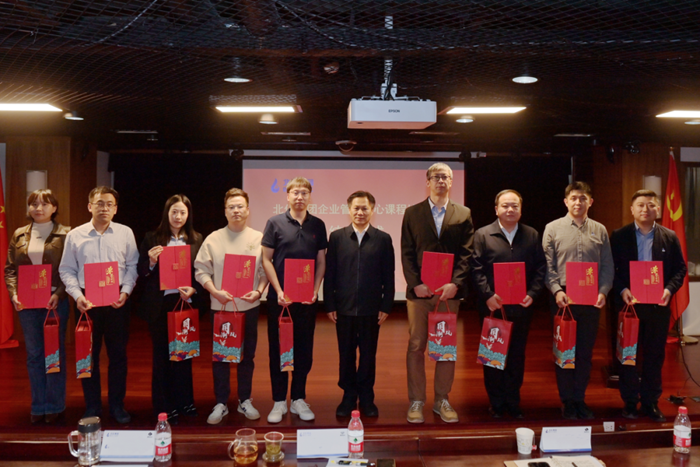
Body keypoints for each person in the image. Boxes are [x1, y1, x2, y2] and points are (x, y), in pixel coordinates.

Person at [400, 162, 474, 424]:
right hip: (420, 293)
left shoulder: (463, 213)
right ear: (428, 182)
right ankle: (416, 400)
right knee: (416, 345)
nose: (441, 181)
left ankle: (442, 399)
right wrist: (415, 283)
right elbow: (407, 252)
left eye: (445, 177)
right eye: (436, 177)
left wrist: (456, 283)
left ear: (451, 182)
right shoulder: (412, 213)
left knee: (446, 348)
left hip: (448, 294)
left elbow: (467, 253)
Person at [59, 186, 138, 423]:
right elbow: (66, 269)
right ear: (89, 206)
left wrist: (125, 292)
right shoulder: (75, 235)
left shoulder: (125, 233)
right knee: (88, 357)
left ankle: (117, 406)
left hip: (117, 301)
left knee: (118, 356)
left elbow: (132, 266)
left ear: (115, 209)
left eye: (109, 204)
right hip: (87, 303)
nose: (104, 208)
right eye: (99, 203)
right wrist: (77, 296)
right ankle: (92, 407)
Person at [611, 189, 687, 422]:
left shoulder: (669, 236)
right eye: (641, 205)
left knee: (654, 356)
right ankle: (630, 402)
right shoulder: (619, 236)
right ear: (632, 209)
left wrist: (669, 290)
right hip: (630, 306)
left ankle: (651, 402)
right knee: (628, 356)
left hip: (657, 307)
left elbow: (680, 269)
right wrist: (622, 290)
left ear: (658, 209)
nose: (646, 209)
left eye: (651, 205)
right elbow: (610, 269)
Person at [194, 188, 269, 424]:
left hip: (249, 307)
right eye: (231, 207)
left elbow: (265, 271)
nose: (236, 211)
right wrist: (214, 291)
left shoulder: (259, 238)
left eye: (240, 207)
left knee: (248, 356)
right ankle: (221, 402)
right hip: (221, 308)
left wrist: (259, 291)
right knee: (221, 358)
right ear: (225, 211)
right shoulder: (213, 238)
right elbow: (201, 271)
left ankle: (244, 400)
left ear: (248, 210)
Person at [470, 189, 546, 419]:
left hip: (521, 306)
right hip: (493, 307)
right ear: (496, 210)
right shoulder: (483, 234)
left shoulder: (531, 234)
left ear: (521, 209)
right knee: (493, 354)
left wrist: (533, 293)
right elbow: (476, 268)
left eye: (515, 206)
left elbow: (540, 268)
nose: (510, 210)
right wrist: (487, 295)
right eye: (505, 206)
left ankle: (513, 401)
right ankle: (496, 402)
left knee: (516, 356)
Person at [542, 181, 613, 420]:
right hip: (563, 297)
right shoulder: (552, 228)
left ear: (590, 202)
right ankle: (567, 401)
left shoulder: (600, 230)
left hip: (591, 297)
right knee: (564, 352)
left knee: (584, 352)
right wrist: (555, 290)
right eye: (573, 198)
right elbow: (547, 265)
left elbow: (607, 265)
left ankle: (579, 398)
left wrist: (603, 291)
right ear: (566, 201)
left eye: (583, 198)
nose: (578, 202)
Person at [262, 177, 327, 423]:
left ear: (310, 197)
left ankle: (298, 398)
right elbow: (266, 259)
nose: (300, 197)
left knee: (304, 349)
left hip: (306, 301)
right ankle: (279, 401)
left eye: (304, 193)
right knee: (278, 349)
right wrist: (278, 290)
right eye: (295, 192)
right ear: (287, 196)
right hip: (280, 300)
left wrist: (315, 290)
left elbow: (321, 261)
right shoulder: (274, 222)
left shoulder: (318, 225)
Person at [324, 191, 395, 418]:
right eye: (356, 208)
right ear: (349, 210)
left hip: (371, 309)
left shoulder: (383, 239)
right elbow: (330, 273)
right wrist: (329, 304)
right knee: (345, 354)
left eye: (365, 208)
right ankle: (348, 395)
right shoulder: (337, 237)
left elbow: (389, 276)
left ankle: (366, 396)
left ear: (372, 210)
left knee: (368, 355)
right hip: (343, 308)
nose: (360, 212)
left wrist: (386, 305)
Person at [135, 194, 203, 424]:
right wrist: (151, 262)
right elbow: (141, 272)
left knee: (184, 355)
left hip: (184, 302)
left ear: (188, 215)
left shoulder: (196, 239)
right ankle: (164, 406)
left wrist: (194, 290)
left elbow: (202, 272)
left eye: (183, 212)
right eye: (174, 211)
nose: (178, 216)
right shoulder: (152, 238)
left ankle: (185, 402)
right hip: (159, 305)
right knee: (162, 357)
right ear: (167, 213)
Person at [4, 189, 70, 424]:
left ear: (54, 208)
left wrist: (59, 294)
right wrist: (14, 294)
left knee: (54, 353)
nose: (38, 208)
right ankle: (38, 405)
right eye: (34, 204)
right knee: (33, 355)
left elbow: (71, 269)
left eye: (44, 204)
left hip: (54, 302)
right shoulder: (19, 234)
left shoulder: (66, 234)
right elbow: (10, 269)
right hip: (27, 303)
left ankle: (55, 405)